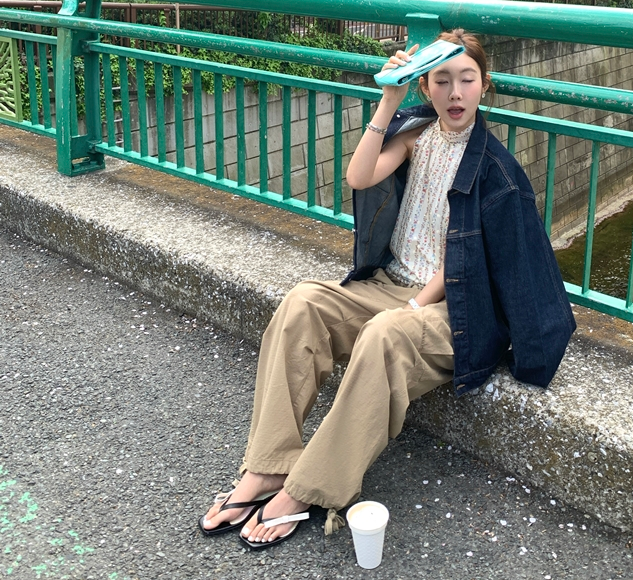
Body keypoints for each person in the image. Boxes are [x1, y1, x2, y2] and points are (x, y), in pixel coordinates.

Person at [198, 30, 576, 550]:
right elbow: (359, 176)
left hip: (454, 308)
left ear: (485, 85)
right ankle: (268, 466)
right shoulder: (417, 133)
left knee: (384, 333)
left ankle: (309, 489)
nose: (455, 92)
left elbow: (463, 261)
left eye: (467, 79)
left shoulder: (495, 170)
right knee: (303, 302)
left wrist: (414, 305)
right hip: (390, 284)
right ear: (425, 85)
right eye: (441, 80)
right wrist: (389, 99)